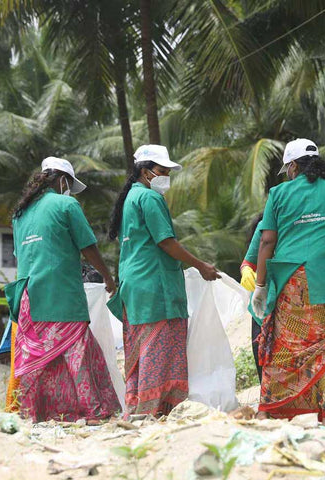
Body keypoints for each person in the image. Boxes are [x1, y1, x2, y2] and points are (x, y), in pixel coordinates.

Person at [251, 138, 325, 425]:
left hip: (293, 281)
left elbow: (267, 240)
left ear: (292, 166)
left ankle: (273, 410)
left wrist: (261, 285)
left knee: (287, 346)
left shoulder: (279, 194)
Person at [108, 144, 220, 418]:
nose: (166, 176)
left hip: (134, 284)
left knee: (141, 347)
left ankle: (137, 405)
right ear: (145, 172)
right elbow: (165, 241)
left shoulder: (131, 198)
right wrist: (200, 265)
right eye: (162, 171)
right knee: (160, 346)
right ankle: (155, 408)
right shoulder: (149, 199)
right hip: (154, 283)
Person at [5, 156, 120, 422]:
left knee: (40, 363)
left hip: (29, 300)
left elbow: (19, 254)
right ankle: (92, 412)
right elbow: (88, 247)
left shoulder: (20, 213)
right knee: (77, 354)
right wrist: (108, 278)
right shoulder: (67, 204)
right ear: (63, 180)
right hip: (61, 296)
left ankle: (36, 414)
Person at [240, 214, 264, 382]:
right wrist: (246, 270)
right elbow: (246, 263)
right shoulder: (263, 229)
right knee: (260, 348)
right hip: (260, 304)